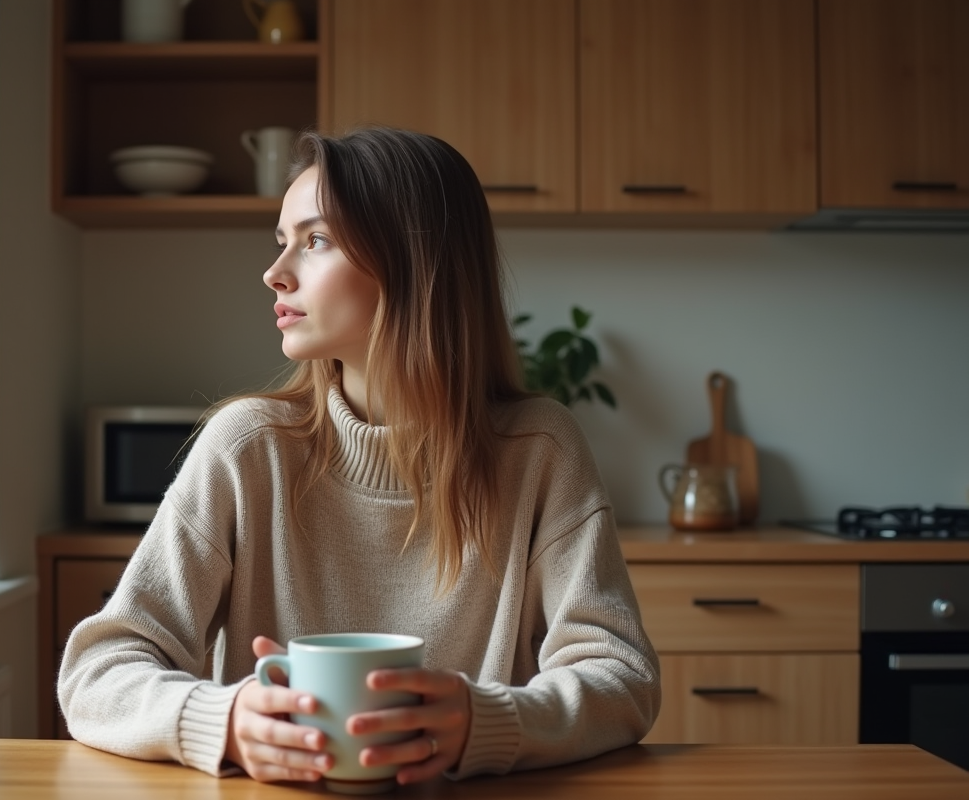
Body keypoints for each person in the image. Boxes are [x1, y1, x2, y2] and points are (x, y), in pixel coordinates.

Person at [57, 126, 660, 787]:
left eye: (314, 240)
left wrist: (484, 720)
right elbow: (97, 671)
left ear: (413, 261)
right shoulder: (247, 448)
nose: (274, 271)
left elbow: (621, 676)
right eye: (281, 241)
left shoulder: (540, 450)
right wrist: (223, 719)